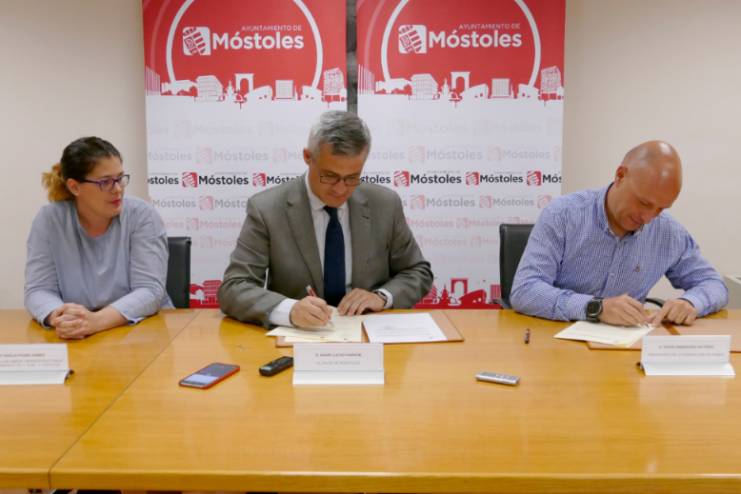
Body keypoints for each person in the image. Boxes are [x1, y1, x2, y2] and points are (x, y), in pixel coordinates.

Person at [219, 110, 433, 328]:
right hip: (300, 334)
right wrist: (289, 310)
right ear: (307, 157)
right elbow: (234, 287)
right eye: (329, 176)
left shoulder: (385, 204)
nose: (340, 189)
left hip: (370, 332)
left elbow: (417, 271)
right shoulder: (267, 209)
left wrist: (382, 297)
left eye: (352, 177)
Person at [510, 140, 727, 326]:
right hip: (557, 341)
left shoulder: (668, 233)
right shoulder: (562, 216)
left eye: (661, 209)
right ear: (620, 175)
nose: (648, 218)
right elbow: (525, 290)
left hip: (624, 349)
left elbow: (714, 284)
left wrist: (690, 302)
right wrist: (596, 308)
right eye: (643, 203)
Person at [24, 137, 171, 339]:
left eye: (120, 178)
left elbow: (149, 291)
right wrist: (60, 317)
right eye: (105, 182)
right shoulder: (49, 220)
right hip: (78, 336)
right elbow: (38, 290)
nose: (118, 189)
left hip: (141, 333)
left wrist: (96, 321)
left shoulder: (142, 215)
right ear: (74, 187)